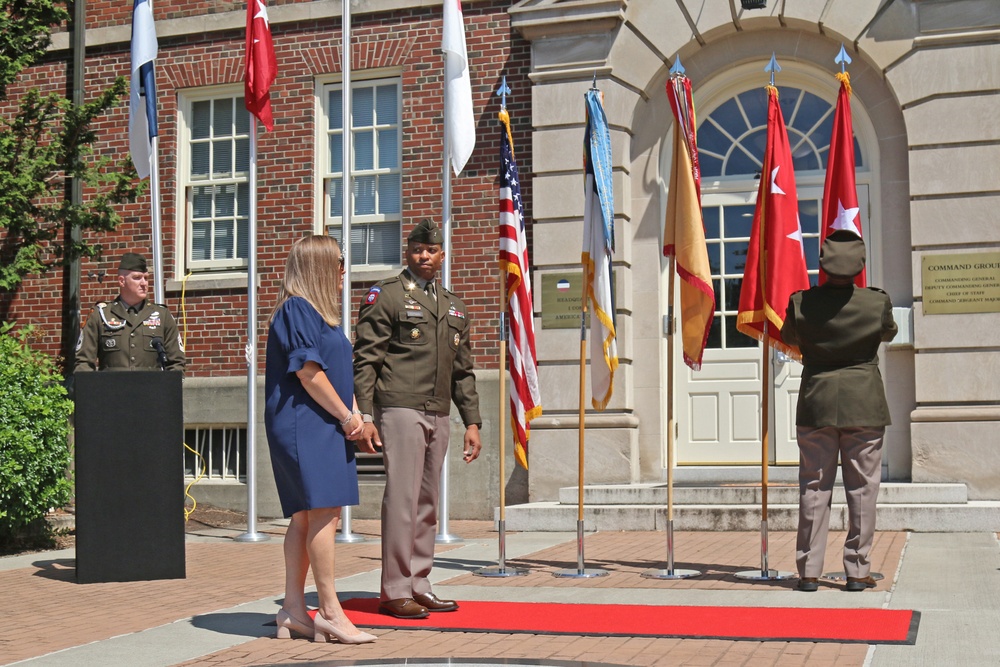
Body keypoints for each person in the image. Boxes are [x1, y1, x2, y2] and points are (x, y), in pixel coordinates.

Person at [353, 219, 482, 619]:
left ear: (442, 255)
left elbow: (463, 371)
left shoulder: (454, 305)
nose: (424, 256)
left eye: (431, 250)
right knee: (404, 500)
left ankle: (419, 583)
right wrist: (365, 413)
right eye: (416, 250)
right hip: (399, 407)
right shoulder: (387, 295)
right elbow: (366, 357)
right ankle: (394, 589)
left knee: (427, 503)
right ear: (407, 252)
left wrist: (473, 422)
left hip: (438, 411)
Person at [264, 235, 377, 644]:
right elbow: (309, 374)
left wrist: (356, 416)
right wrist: (348, 417)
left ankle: (294, 609)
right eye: (339, 263)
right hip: (304, 423)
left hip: (321, 421)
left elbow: (332, 372)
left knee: (304, 516)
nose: (344, 271)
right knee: (323, 513)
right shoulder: (297, 309)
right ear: (318, 267)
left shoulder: (316, 314)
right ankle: (329, 611)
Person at [781, 230, 898, 592]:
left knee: (814, 487)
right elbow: (888, 333)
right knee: (863, 489)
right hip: (863, 402)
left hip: (817, 401)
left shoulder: (801, 301)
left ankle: (809, 571)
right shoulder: (876, 302)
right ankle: (857, 571)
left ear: (824, 265)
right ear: (860, 265)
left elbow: (788, 337)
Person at [74, 252, 186, 373]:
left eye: (146, 278)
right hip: (111, 390)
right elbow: (83, 362)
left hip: (151, 390)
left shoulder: (162, 315)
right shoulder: (101, 314)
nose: (144, 283)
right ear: (122, 281)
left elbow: (177, 362)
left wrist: (168, 389)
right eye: (137, 278)